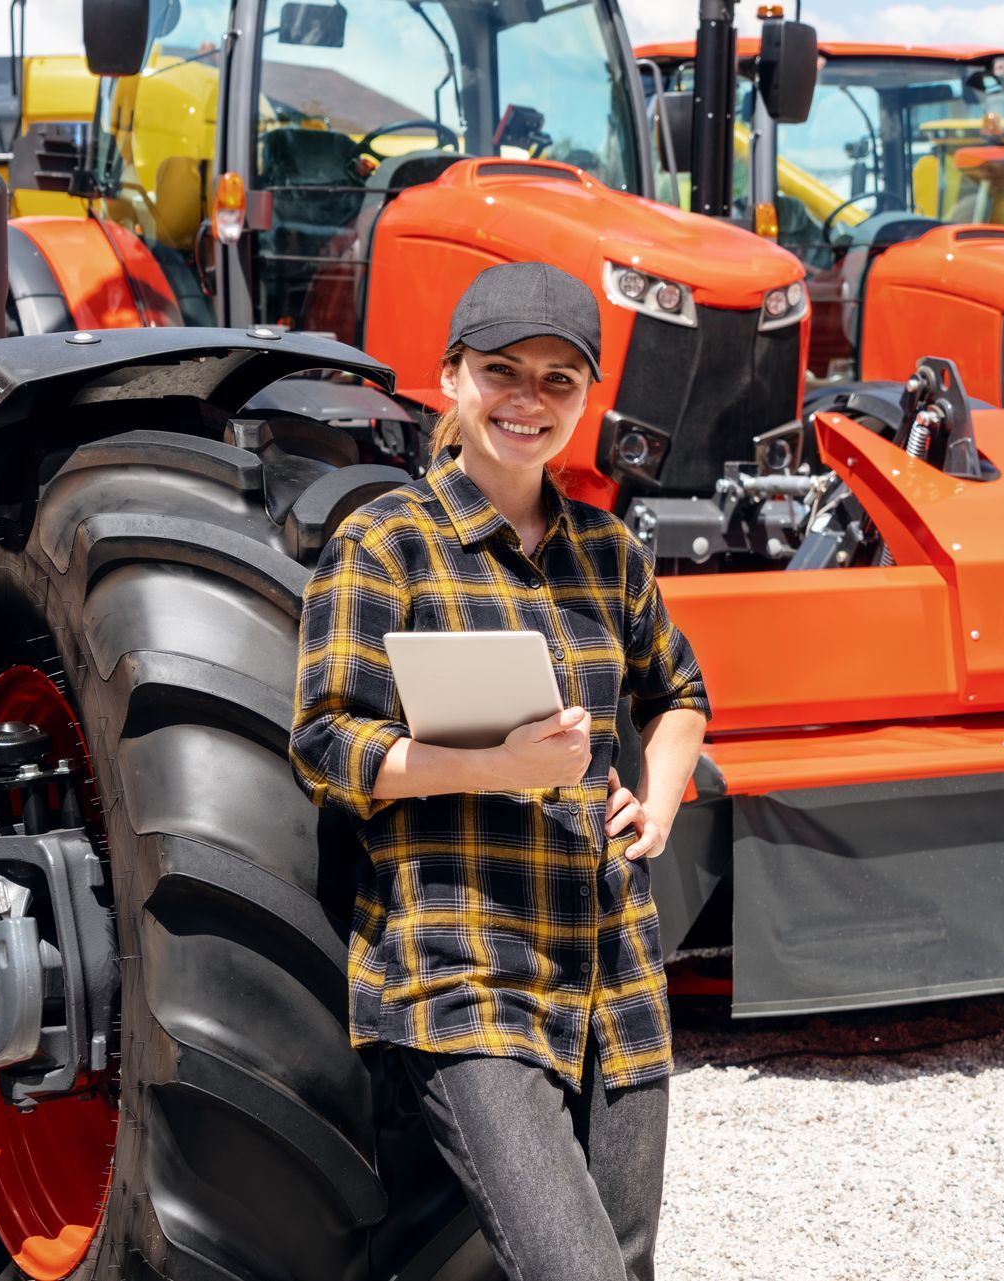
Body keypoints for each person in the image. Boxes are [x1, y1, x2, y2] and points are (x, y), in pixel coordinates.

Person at [288, 261, 710, 1281]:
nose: (529, 400)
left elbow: (681, 696)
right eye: (503, 372)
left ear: (585, 398)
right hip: (465, 967)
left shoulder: (609, 553)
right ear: (451, 379)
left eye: (559, 380)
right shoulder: (386, 545)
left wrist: (654, 803)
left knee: (628, 1260)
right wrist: (495, 763)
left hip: (614, 968)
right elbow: (324, 743)